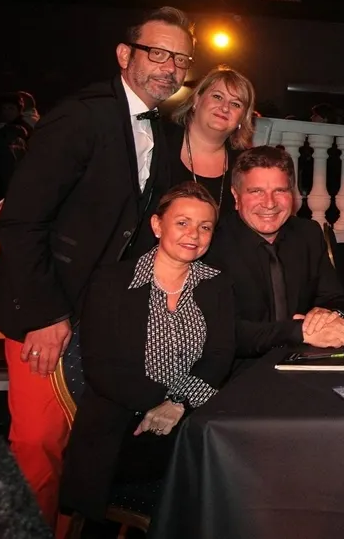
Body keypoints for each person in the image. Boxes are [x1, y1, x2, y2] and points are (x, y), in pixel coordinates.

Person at [0, 6, 193, 531]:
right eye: (158, 53)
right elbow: (22, 221)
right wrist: (46, 316)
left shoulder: (157, 130)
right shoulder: (81, 116)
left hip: (97, 313)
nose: (170, 67)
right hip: (44, 307)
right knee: (39, 443)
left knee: (81, 445)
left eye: (181, 59)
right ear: (125, 55)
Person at [61, 182, 235, 522]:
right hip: (123, 428)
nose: (194, 234)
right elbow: (101, 367)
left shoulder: (217, 283)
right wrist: (161, 404)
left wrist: (179, 404)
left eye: (205, 227)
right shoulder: (111, 282)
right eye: (182, 223)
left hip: (189, 418)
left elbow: (219, 355)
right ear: (157, 225)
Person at [203, 146, 344, 367]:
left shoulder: (308, 234)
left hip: (305, 361)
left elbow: (337, 298)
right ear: (236, 196)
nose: (269, 203)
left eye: (280, 191)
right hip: (238, 373)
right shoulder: (212, 244)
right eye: (256, 191)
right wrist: (297, 331)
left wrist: (328, 315)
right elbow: (224, 332)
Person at [166, 64, 256, 216]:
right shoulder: (158, 141)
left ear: (243, 118)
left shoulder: (245, 165)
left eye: (236, 104)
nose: (225, 108)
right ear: (197, 99)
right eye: (217, 97)